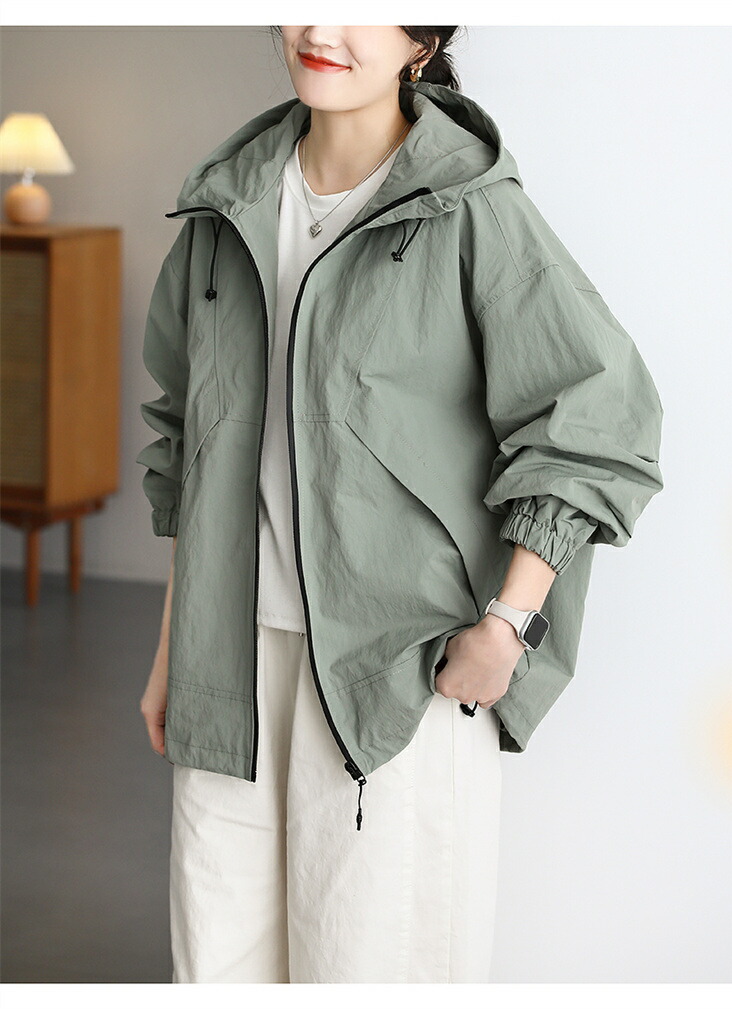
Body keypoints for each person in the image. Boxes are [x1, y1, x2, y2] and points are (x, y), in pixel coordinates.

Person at [136, 25, 665, 984]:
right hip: (231, 662)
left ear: (421, 37)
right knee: (216, 964)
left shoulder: (470, 209)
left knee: (370, 966)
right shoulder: (225, 206)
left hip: (397, 676)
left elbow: (598, 415)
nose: (321, 28)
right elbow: (190, 447)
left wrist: (507, 624)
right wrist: (176, 647)